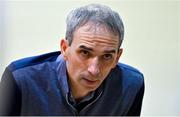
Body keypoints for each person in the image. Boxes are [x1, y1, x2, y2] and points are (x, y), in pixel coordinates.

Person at [0, 4, 144, 116]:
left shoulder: (131, 85)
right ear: (64, 49)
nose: (94, 70)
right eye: (85, 52)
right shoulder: (20, 79)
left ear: (117, 57)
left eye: (107, 56)